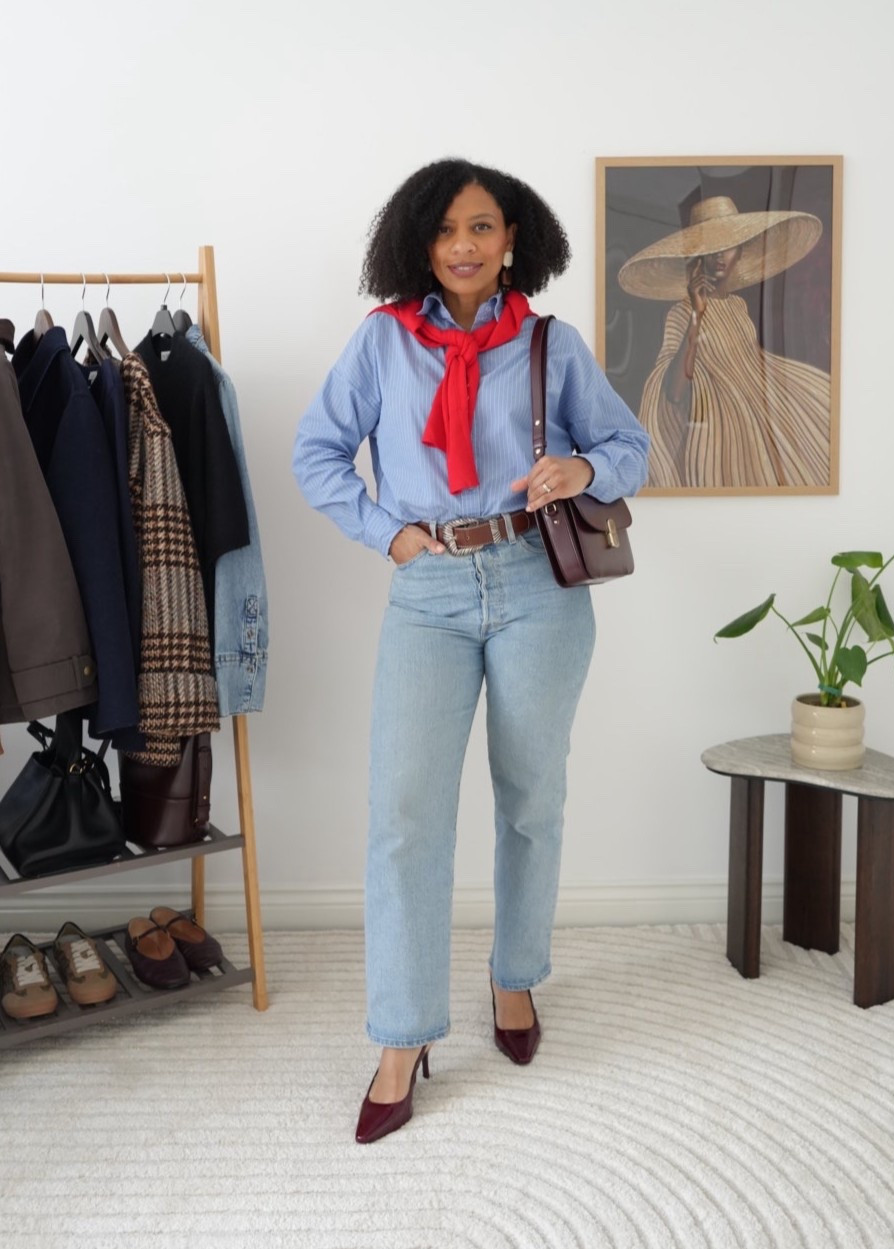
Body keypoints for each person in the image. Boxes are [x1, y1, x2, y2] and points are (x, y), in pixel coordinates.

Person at [293, 158, 649, 1144]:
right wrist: (386, 533)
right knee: (405, 815)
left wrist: (581, 462)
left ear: (511, 239)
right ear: (417, 241)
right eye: (446, 229)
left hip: (539, 585)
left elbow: (630, 451)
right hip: (429, 591)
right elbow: (314, 453)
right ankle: (402, 1035)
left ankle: (514, 977)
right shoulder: (380, 344)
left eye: (482, 227)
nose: (462, 245)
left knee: (530, 796)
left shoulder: (548, 343)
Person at [619, 195, 832, 489]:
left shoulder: (738, 308)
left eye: (729, 245)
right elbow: (674, 392)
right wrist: (696, 313)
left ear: (741, 252)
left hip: (761, 418)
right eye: (711, 248)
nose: (720, 255)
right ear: (697, 257)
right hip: (720, 434)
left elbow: (752, 365)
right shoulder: (681, 312)